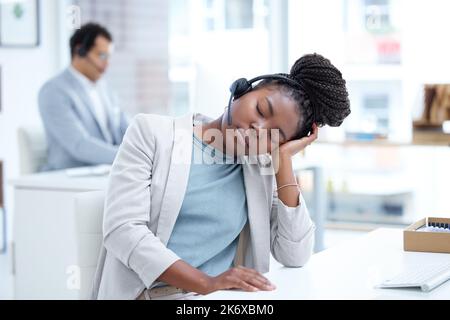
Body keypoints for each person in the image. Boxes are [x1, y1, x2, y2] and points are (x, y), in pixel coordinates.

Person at [91, 53, 351, 300]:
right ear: (242, 90)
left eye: (275, 134)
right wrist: (207, 283)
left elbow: (295, 254)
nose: (257, 129)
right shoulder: (152, 133)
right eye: (261, 109)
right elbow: (123, 231)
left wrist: (284, 161)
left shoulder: (258, 167)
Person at [38, 23, 129, 171]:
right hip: (68, 178)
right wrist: (128, 157)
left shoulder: (105, 88)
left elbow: (125, 129)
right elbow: (79, 144)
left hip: (106, 174)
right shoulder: (54, 91)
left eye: (109, 57)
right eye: (102, 56)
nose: (107, 64)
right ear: (79, 51)